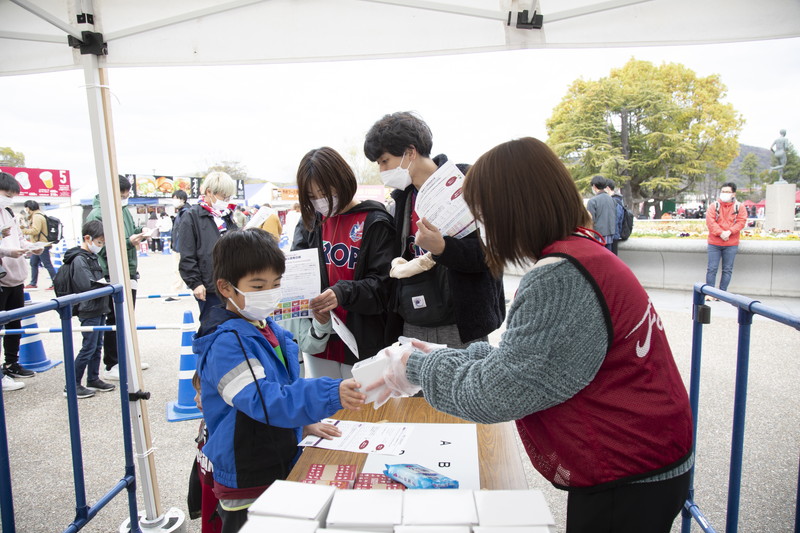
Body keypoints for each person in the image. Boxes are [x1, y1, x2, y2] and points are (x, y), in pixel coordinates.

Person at [368, 138, 694, 533]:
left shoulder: (558, 276)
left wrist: (416, 366)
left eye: (481, 213)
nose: (479, 226)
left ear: (511, 208)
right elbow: (524, 358)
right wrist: (445, 355)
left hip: (626, 469)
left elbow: (499, 392)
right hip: (646, 453)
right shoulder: (581, 252)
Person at [194, 228, 365, 533]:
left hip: (277, 457)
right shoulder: (227, 343)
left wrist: (303, 424)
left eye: (275, 284)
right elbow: (266, 400)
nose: (269, 293)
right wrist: (331, 392)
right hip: (248, 476)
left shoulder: (267, 328)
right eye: (258, 285)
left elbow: (283, 390)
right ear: (226, 287)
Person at [364, 111, 505, 349]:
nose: (382, 170)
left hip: (461, 323)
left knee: (465, 384)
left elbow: (494, 254)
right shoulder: (402, 199)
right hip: (415, 320)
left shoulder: (467, 182)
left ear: (410, 152)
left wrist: (443, 248)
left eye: (385, 161)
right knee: (416, 386)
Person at [291, 147, 395, 378]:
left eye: (325, 191)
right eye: (311, 196)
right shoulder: (310, 221)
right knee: (325, 403)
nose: (320, 201)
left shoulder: (374, 221)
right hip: (320, 337)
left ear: (343, 180)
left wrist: (343, 292)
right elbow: (297, 268)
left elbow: (384, 285)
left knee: (361, 406)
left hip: (362, 338)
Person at [85, 174, 147, 381]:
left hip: (128, 269)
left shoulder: (123, 210)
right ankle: (112, 363)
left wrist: (141, 232)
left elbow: (130, 232)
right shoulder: (97, 214)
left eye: (127, 194)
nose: (125, 198)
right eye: (121, 194)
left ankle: (126, 359)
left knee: (127, 318)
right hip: (109, 273)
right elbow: (99, 249)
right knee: (114, 319)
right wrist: (129, 242)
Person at [59, 220, 116, 398]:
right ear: (87, 238)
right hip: (89, 308)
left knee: (97, 346)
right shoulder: (79, 259)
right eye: (99, 242)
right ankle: (72, 384)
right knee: (88, 347)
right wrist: (105, 286)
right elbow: (85, 285)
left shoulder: (91, 257)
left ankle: (93, 378)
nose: (100, 246)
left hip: (99, 307)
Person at [0, 172, 44, 391]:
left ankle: (11, 363)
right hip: (1, 278)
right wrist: (7, 251)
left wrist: (31, 247)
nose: (9, 198)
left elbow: (19, 239)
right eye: (6, 194)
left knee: (14, 324)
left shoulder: (8, 213)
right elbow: (7, 246)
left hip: (16, 277)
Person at [178, 171, 239, 323]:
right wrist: (195, 283)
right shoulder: (192, 216)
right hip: (209, 286)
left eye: (229, 197)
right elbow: (187, 253)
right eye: (223, 197)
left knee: (234, 326)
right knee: (212, 327)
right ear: (209, 192)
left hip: (233, 283)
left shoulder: (227, 216)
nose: (226, 201)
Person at [187, 371, 222, 533]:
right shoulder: (206, 422)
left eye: (200, 393)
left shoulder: (222, 429)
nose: (195, 399)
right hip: (208, 499)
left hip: (220, 507)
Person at [704, 182, 747, 301]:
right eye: (723, 191)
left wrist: (730, 232)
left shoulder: (740, 207)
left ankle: (722, 294)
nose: (724, 194)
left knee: (727, 269)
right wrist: (721, 233)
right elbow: (710, 222)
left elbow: (741, 222)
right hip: (714, 243)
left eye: (727, 192)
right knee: (712, 268)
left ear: (733, 193)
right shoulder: (714, 206)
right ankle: (710, 293)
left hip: (731, 243)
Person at [21, 199, 58, 290]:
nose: (26, 210)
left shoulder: (37, 216)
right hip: (38, 244)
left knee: (47, 264)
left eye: (26, 208)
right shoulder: (39, 215)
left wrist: (23, 231)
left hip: (42, 245)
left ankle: (56, 283)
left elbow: (35, 231)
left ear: (29, 208)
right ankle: (33, 283)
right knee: (33, 263)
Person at [168, 189, 190, 301]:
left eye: (176, 198)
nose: (174, 201)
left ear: (183, 200)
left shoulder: (185, 212)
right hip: (179, 246)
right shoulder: (182, 212)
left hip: (181, 247)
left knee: (177, 269)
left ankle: (175, 293)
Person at [586, 175, 617, 252]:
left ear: (594, 186)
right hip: (610, 234)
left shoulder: (592, 201)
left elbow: (590, 220)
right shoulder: (612, 200)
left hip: (597, 235)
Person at [604, 179, 625, 256]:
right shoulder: (618, 199)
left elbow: (616, 219)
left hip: (613, 235)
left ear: (607, 188)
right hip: (614, 234)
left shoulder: (614, 201)